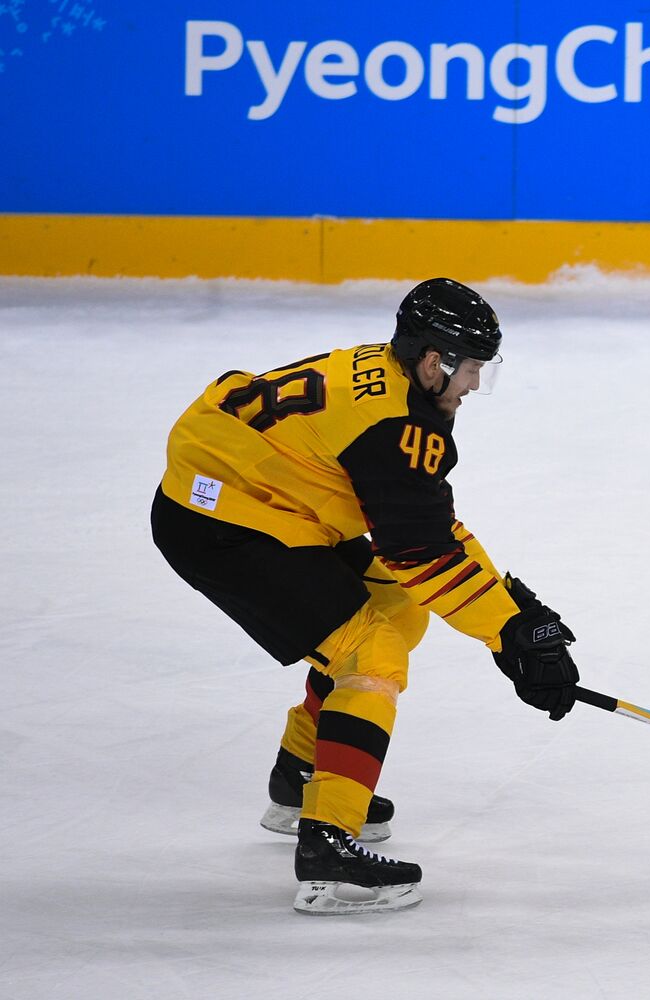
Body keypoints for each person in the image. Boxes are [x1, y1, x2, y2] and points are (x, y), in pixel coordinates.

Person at [151, 278, 582, 914]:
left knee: (396, 610)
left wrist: (516, 611)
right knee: (372, 652)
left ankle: (301, 775)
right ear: (434, 361)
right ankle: (328, 847)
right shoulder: (395, 426)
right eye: (472, 369)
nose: (473, 386)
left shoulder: (392, 382)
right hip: (225, 524)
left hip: (266, 501)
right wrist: (509, 634)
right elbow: (422, 554)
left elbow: (430, 529)